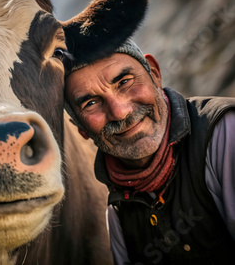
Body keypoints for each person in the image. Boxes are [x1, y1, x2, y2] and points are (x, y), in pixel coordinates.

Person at [63, 36, 235, 264]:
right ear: (81, 128)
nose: (120, 112)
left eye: (124, 82)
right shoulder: (118, 211)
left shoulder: (224, 133)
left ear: (154, 73)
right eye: (91, 103)